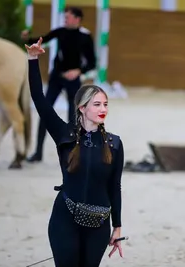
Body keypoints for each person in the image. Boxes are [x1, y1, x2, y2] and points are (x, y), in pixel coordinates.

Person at [25, 37, 124, 267]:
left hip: (99, 224)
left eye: (105, 104)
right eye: (97, 104)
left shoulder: (115, 144)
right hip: (65, 219)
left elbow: (115, 187)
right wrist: (32, 60)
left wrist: (117, 226)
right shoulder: (64, 134)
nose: (103, 109)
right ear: (82, 108)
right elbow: (39, 98)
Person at [22, 6, 96, 163]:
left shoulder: (85, 36)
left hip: (73, 79)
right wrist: (26, 39)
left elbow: (92, 62)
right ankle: (38, 152)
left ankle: (72, 154)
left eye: (68, 17)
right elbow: (41, 40)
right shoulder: (60, 31)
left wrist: (78, 71)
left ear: (77, 19)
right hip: (57, 76)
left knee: (73, 117)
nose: (65, 19)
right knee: (45, 111)